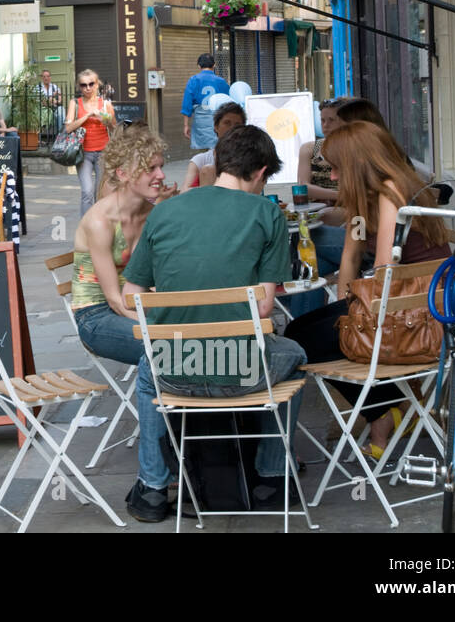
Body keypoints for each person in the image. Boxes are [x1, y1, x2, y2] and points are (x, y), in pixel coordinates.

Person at [121, 125, 304, 521]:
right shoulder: (266, 212)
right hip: (243, 371)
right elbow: (264, 308)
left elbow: (130, 295)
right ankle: (272, 478)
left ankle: (152, 489)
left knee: (147, 367)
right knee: (295, 354)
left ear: (218, 163)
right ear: (261, 172)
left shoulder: (165, 210)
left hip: (176, 370)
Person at [285, 121, 453, 458]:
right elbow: (350, 256)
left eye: (335, 168)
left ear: (357, 163)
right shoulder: (373, 196)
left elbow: (382, 271)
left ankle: (384, 410)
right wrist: (348, 304)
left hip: (419, 318)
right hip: (396, 307)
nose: (331, 178)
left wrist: (352, 312)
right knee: (298, 331)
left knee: (298, 342)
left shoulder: (392, 193)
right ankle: (389, 408)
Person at [70, 125, 174, 369]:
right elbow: (115, 300)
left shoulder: (153, 215)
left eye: (161, 167)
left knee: (206, 334)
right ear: (124, 173)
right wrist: (156, 326)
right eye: (151, 169)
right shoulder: (100, 221)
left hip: (139, 302)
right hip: (97, 316)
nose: (160, 175)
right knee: (169, 347)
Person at [64, 68, 117, 216]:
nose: (87, 88)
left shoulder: (106, 104)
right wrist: (87, 116)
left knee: (100, 192)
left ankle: (100, 225)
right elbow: (68, 128)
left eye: (91, 84)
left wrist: (103, 118)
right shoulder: (75, 103)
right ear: (78, 86)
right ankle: (86, 227)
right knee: (87, 191)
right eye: (83, 85)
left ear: (97, 84)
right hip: (83, 153)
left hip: (103, 152)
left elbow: (114, 127)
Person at [182, 102, 245, 190]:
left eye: (237, 125)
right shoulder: (200, 160)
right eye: (227, 123)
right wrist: (206, 187)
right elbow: (184, 193)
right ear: (216, 126)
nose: (232, 128)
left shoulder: (247, 160)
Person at [180, 53, 230, 150]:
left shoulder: (193, 80)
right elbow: (228, 101)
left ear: (199, 65)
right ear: (214, 65)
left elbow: (187, 104)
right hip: (218, 120)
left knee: (203, 155)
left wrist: (186, 125)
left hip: (200, 121)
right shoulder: (221, 81)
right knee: (218, 150)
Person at [38, 69, 65, 134]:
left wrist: (54, 101)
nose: (46, 78)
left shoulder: (54, 86)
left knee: (61, 110)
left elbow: (60, 100)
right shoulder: (38, 87)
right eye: (44, 76)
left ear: (50, 77)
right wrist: (53, 96)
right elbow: (42, 102)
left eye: (47, 76)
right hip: (43, 109)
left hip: (54, 107)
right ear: (42, 78)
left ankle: (61, 133)